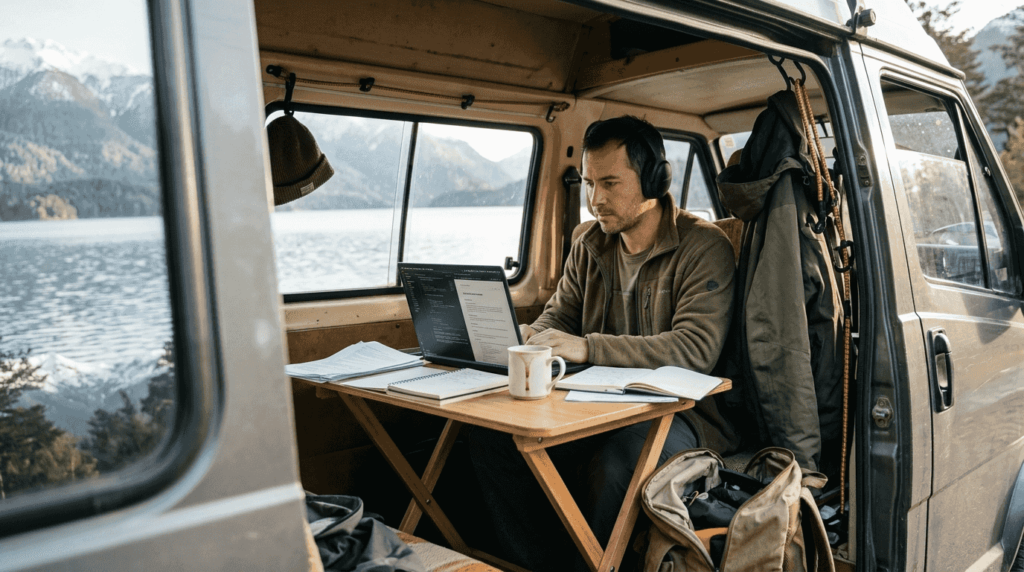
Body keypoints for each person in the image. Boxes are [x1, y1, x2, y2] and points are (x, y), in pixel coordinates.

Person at [466, 116, 738, 571]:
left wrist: (588, 347)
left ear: (654, 179)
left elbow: (695, 350)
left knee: (617, 465)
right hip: (592, 404)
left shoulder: (703, 246)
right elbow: (558, 316)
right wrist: (529, 336)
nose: (596, 200)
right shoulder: (588, 243)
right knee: (492, 440)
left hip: (678, 414)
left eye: (610, 183)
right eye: (591, 183)